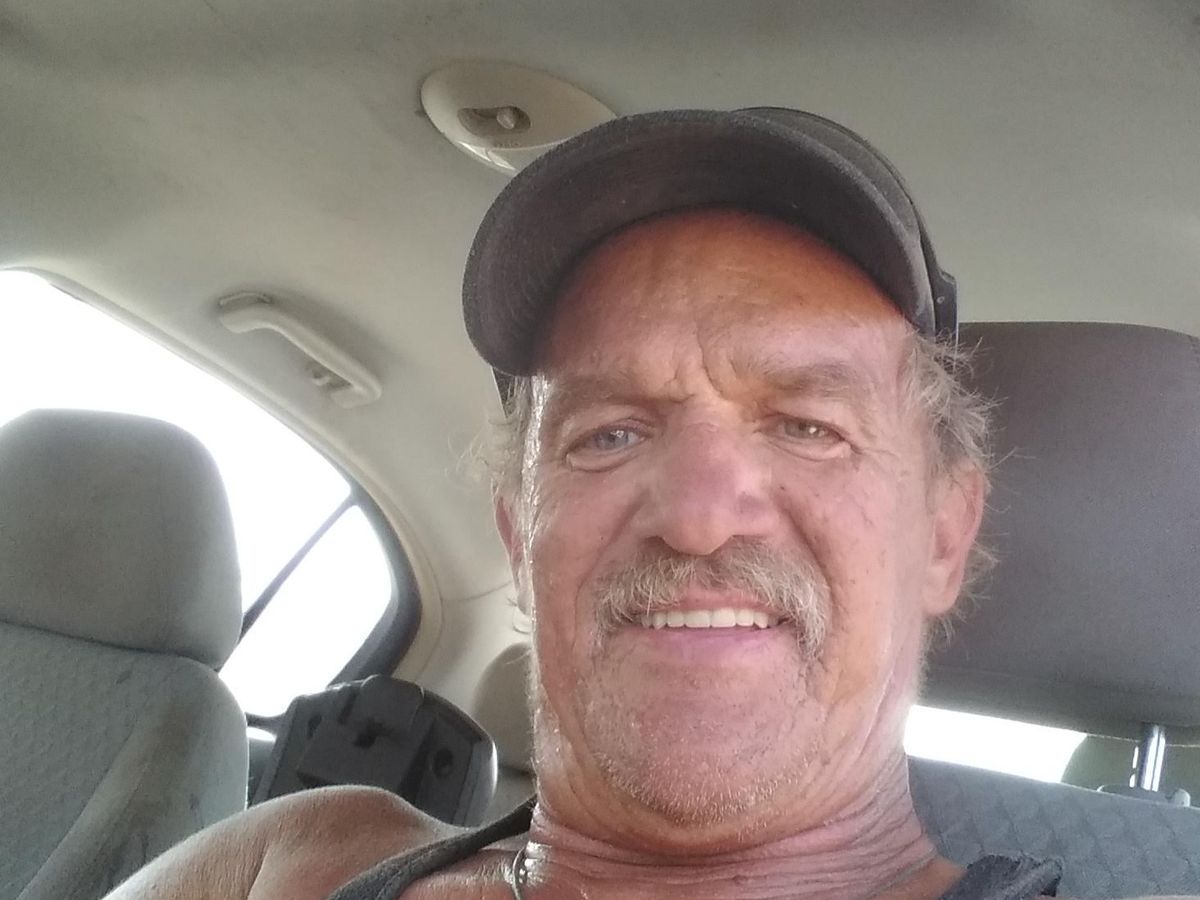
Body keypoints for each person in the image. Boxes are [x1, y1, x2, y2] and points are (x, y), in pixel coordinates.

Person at [107, 108, 1085, 899]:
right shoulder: (286, 863)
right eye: (608, 435)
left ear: (945, 535)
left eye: (807, 425)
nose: (698, 518)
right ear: (518, 538)